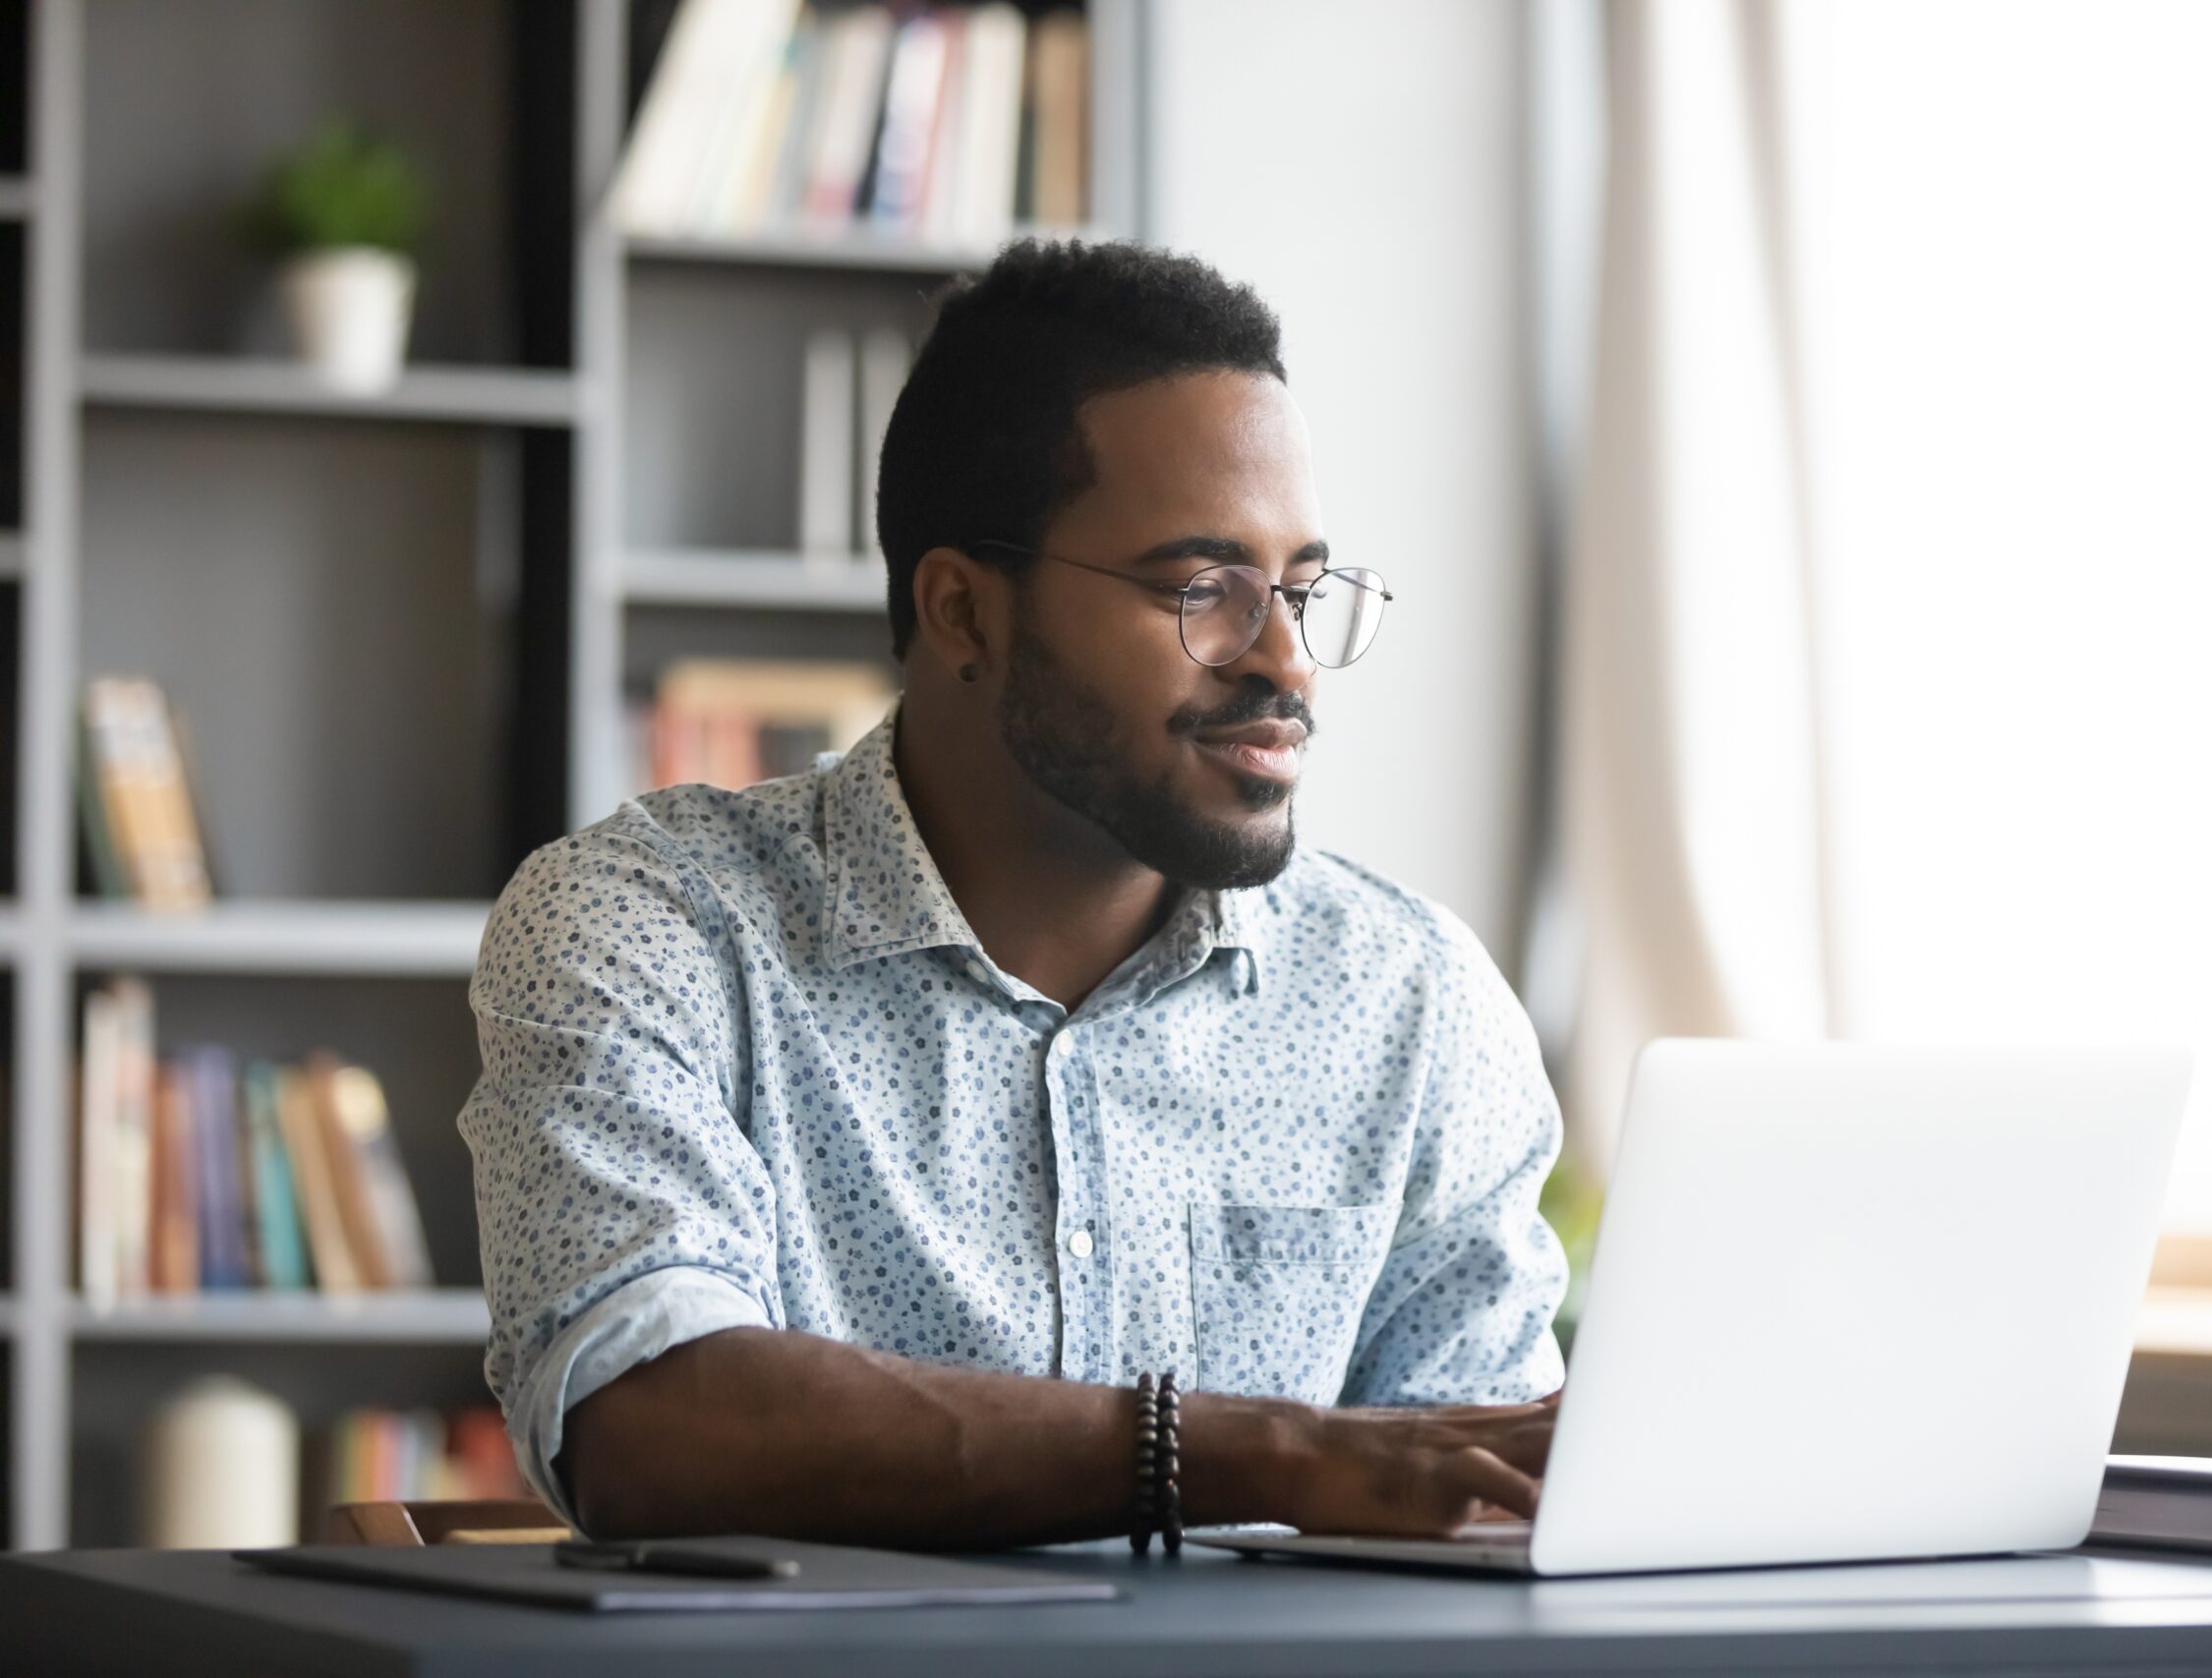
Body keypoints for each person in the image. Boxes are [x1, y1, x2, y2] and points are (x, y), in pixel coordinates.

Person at [458, 239, 1568, 1547]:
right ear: (964, 612)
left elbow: (1489, 1500)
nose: (1287, 664)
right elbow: (656, 1427)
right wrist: (1256, 1454)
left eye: (1304, 590)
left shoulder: (1412, 999)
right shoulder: (647, 927)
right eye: (1203, 589)